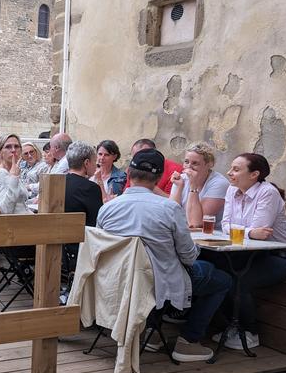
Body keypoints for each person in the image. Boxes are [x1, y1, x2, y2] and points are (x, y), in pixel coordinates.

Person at [97, 148, 232, 362]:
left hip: (118, 278)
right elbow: (188, 257)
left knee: (157, 269)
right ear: (159, 178)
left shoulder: (107, 208)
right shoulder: (169, 209)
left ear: (129, 174)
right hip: (158, 281)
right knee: (222, 279)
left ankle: (152, 332)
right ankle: (188, 340)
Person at [214, 153, 286, 349]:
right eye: (231, 168)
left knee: (240, 280)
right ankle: (232, 326)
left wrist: (250, 232)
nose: (230, 173)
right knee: (217, 271)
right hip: (250, 252)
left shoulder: (267, 192)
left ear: (254, 174)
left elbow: (262, 231)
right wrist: (250, 232)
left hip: (284, 255)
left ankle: (250, 332)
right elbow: (226, 225)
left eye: (236, 170)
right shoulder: (231, 190)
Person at [169, 142, 229, 228]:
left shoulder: (219, 184)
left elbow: (196, 223)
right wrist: (179, 187)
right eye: (186, 162)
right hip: (184, 232)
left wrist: (193, 186)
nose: (189, 167)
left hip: (211, 236)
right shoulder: (181, 179)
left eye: (195, 163)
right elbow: (170, 215)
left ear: (209, 164)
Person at [0, 134, 30, 214]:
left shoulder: (12, 171)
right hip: (13, 224)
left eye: (16, 146)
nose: (13, 150)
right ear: (0, 152)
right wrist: (14, 178)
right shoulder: (0, 174)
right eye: (8, 147)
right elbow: (6, 210)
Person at [66, 142, 104, 227]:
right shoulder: (91, 188)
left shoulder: (58, 183)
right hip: (80, 236)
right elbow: (97, 221)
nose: (96, 165)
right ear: (86, 163)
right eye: (94, 161)